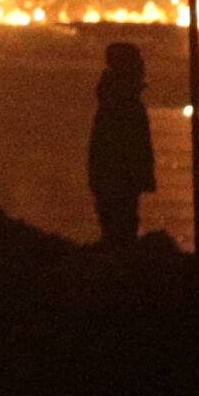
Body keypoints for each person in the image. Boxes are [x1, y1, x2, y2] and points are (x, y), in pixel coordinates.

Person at [86, 38, 157, 246]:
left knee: (118, 226)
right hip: (119, 179)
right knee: (121, 228)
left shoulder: (116, 97)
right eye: (137, 62)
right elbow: (127, 143)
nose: (142, 67)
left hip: (116, 179)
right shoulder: (122, 102)